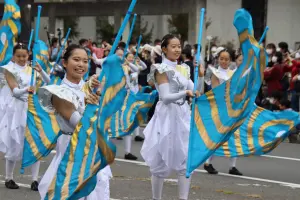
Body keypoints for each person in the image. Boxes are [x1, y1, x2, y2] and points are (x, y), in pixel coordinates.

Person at [37, 44, 112, 200]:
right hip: (71, 151)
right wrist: (90, 108)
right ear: (65, 63)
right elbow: (80, 123)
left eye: (85, 61)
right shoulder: (59, 92)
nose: (81, 65)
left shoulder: (89, 88)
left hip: (93, 150)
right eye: (76, 60)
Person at [141, 34, 204, 200]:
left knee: (185, 160)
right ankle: (156, 198)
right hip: (166, 116)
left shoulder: (184, 68)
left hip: (183, 115)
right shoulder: (160, 69)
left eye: (179, 46)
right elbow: (166, 97)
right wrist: (185, 92)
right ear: (164, 49)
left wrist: (201, 75)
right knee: (160, 160)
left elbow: (196, 90)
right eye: (173, 46)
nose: (177, 49)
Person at [0, 43, 50, 190]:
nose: (22, 59)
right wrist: (26, 90)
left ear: (29, 55)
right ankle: (9, 178)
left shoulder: (32, 69)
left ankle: (35, 180)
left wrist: (41, 71)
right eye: (19, 56)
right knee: (14, 142)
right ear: (14, 56)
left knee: (34, 142)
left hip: (32, 109)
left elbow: (47, 82)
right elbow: (15, 91)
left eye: (24, 56)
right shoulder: (9, 69)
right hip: (16, 110)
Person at [203, 49, 243, 176]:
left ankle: (233, 166)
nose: (224, 61)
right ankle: (207, 163)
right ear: (218, 59)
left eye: (226, 59)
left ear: (230, 60)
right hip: (220, 109)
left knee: (234, 136)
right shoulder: (215, 73)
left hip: (233, 108)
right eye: (222, 59)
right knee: (218, 136)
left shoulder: (234, 73)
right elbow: (216, 92)